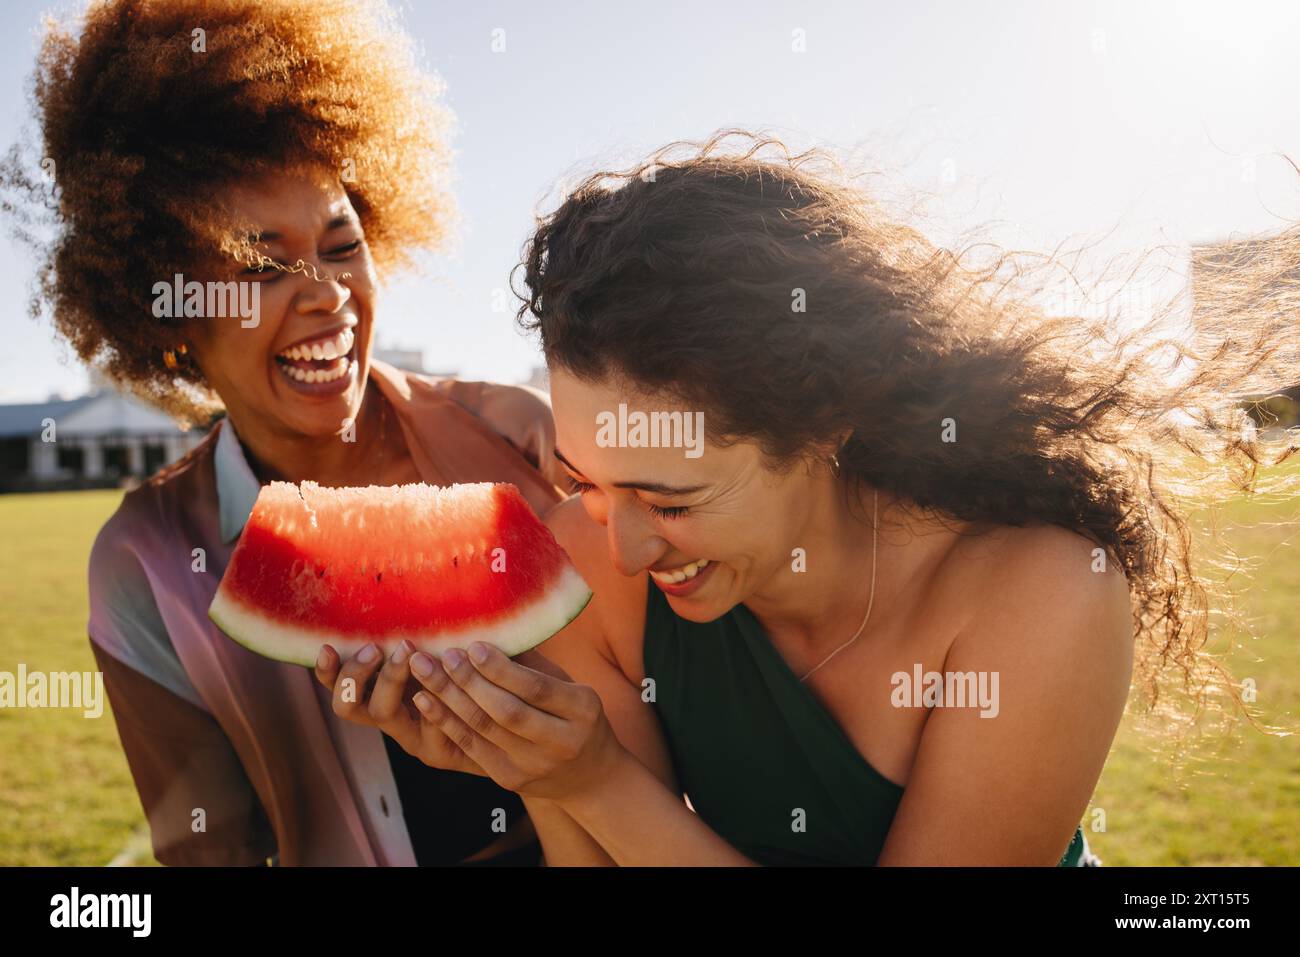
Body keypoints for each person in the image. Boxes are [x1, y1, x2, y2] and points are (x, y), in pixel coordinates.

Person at [320, 132, 1295, 865]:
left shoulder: (1041, 591)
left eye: (671, 498)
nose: (618, 547)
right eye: (587, 480)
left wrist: (600, 784)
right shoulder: (593, 562)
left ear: (826, 422)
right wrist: (532, 775)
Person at [10, 0, 566, 865]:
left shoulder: (519, 440)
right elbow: (208, 853)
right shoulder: (148, 564)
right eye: (260, 266)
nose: (328, 296)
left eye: (342, 245)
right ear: (171, 315)